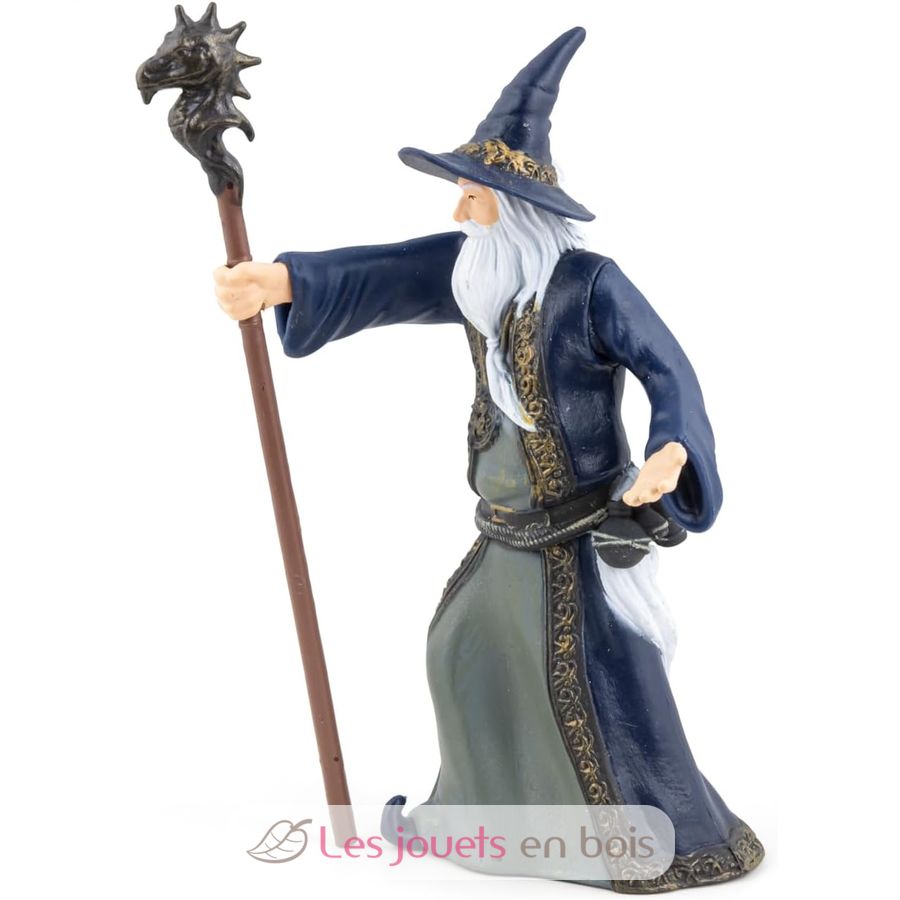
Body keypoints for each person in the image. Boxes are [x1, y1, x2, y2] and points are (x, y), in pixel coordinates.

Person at [213, 27, 763, 893]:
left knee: (588, 685)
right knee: (459, 651)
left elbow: (671, 370)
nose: (460, 214)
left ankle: (647, 838)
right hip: (505, 531)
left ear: (516, 206)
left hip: (574, 535)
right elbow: (388, 275)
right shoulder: (480, 273)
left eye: (472, 198)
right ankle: (486, 823)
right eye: (462, 197)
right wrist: (282, 281)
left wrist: (673, 449)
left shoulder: (590, 287)